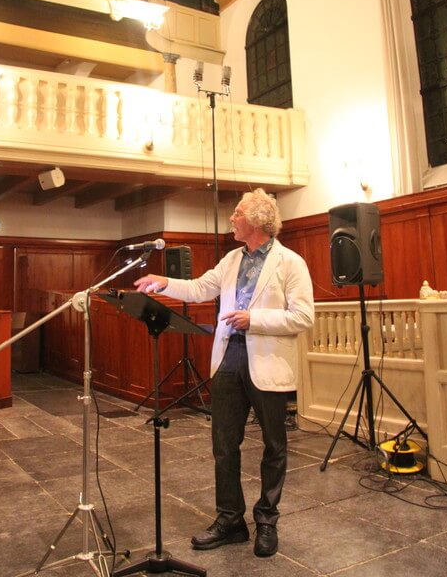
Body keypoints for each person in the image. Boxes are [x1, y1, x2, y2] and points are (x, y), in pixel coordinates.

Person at [134, 188, 314, 558]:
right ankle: (231, 520)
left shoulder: (290, 262)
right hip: (229, 359)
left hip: (267, 362)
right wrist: (164, 283)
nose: (231, 218)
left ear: (258, 220)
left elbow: (303, 317)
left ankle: (267, 520)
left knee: (274, 446)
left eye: (237, 212)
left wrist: (255, 319)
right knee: (223, 446)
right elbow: (201, 287)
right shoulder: (232, 259)